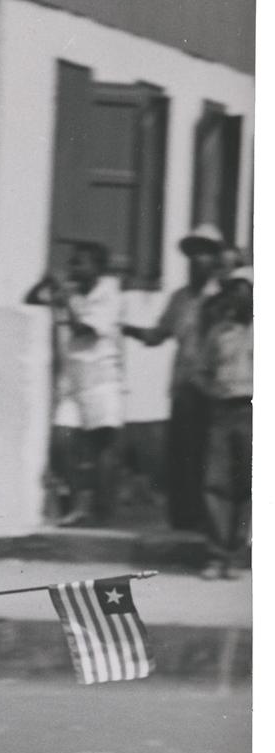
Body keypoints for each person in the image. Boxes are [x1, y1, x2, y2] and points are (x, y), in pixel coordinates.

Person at [122, 224, 224, 533]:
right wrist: (127, 328)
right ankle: (183, 517)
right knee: (182, 453)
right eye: (193, 254)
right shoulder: (180, 298)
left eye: (204, 253)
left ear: (216, 259)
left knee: (211, 457)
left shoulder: (225, 296)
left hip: (216, 389)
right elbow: (158, 334)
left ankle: (211, 521)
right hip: (183, 387)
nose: (197, 260)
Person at [27, 241, 125, 525]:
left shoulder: (109, 294)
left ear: (98, 268)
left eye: (79, 263)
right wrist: (45, 283)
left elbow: (85, 329)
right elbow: (32, 302)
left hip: (101, 380)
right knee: (62, 441)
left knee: (101, 448)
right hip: (73, 381)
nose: (73, 268)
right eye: (72, 263)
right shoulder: (71, 292)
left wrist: (65, 298)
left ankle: (101, 510)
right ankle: (79, 503)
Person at [199, 266, 252, 577]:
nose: (236, 294)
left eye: (242, 287)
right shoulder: (219, 332)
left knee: (250, 486)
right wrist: (215, 394)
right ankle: (216, 554)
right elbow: (201, 371)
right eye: (231, 288)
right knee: (217, 484)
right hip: (222, 412)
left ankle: (236, 555)